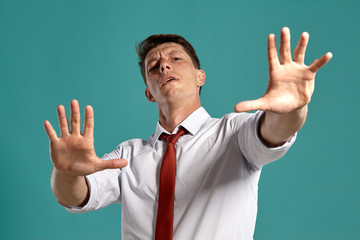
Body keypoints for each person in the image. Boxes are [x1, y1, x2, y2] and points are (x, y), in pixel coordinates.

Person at [44, 27, 332, 239]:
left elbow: (273, 132)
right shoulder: (127, 156)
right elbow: (75, 196)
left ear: (200, 76)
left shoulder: (232, 133)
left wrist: (291, 109)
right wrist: (67, 172)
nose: (164, 65)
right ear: (149, 93)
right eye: (154, 67)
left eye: (175, 59)